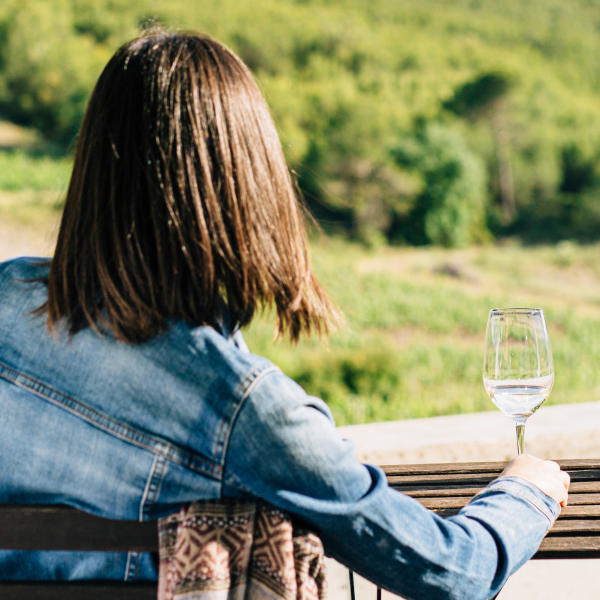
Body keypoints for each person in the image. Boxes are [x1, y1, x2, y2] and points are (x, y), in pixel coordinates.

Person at [0, 29, 569, 599]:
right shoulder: (246, 409)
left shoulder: (7, 298)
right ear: (251, 185)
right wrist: (525, 490)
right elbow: (454, 572)